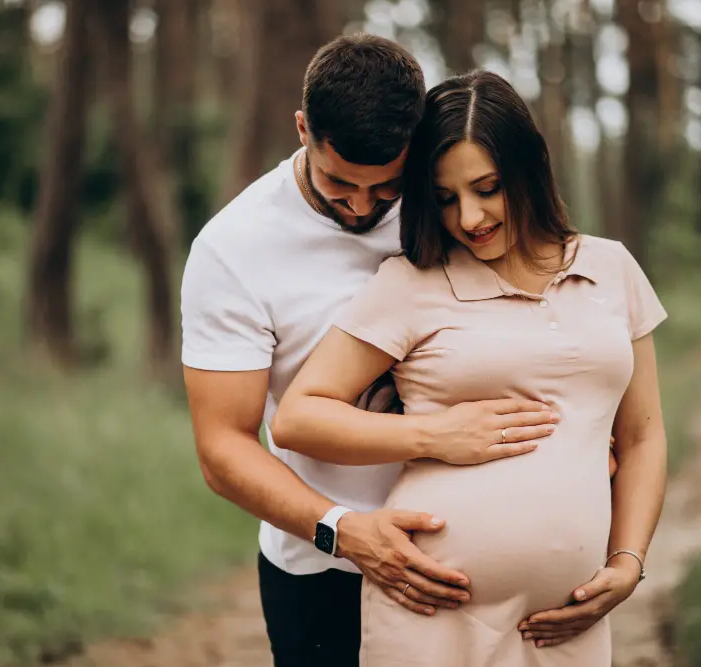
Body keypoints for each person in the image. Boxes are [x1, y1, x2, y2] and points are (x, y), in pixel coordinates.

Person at [181, 36, 568, 667]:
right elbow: (223, 447)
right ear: (303, 128)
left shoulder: (453, 207)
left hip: (478, 557)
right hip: (322, 567)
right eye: (340, 184)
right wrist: (344, 530)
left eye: (386, 189)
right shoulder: (233, 249)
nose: (362, 207)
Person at [272, 69, 669, 666]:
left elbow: (642, 436)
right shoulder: (410, 284)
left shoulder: (610, 268)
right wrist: (436, 436)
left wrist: (628, 562)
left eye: (488, 188)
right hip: (433, 614)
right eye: (445, 198)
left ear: (529, 165)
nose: (470, 217)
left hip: (566, 623)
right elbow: (298, 418)